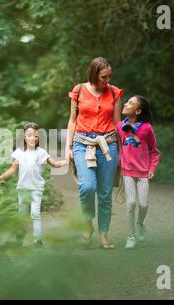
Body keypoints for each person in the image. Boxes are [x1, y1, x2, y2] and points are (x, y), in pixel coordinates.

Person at [65, 57, 124, 249]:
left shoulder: (114, 92)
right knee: (87, 187)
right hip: (82, 144)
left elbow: (117, 123)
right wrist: (68, 147)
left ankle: (104, 235)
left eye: (110, 76)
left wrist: (125, 151)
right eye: (103, 77)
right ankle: (87, 224)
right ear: (93, 74)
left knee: (105, 193)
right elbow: (73, 120)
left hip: (108, 145)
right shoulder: (79, 90)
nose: (108, 80)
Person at [0, 122, 67, 248]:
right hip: (23, 189)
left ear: (38, 138)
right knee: (21, 215)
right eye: (29, 135)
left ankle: (37, 241)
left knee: (35, 214)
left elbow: (55, 164)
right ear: (24, 136)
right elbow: (13, 169)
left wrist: (67, 161)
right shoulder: (19, 153)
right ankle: (19, 239)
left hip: (36, 189)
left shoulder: (41, 153)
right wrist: (1, 177)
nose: (32, 138)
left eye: (35, 136)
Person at [116, 95, 160, 249]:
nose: (126, 104)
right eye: (127, 102)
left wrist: (152, 168)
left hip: (142, 173)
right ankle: (131, 236)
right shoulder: (120, 126)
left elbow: (154, 152)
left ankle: (140, 223)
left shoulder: (147, 128)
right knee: (131, 203)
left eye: (130, 103)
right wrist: (120, 160)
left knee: (143, 204)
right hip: (127, 171)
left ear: (138, 111)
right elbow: (119, 146)